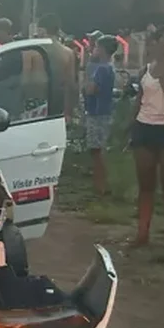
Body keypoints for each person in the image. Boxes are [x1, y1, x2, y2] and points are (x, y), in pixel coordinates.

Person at [129, 25, 164, 246]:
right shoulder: (146, 69)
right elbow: (140, 98)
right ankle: (142, 233)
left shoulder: (163, 67)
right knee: (146, 186)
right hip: (145, 128)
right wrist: (131, 123)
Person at [85, 35, 119, 196]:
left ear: (103, 49)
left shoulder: (101, 68)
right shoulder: (110, 67)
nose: (94, 50)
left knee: (96, 150)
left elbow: (92, 89)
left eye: (97, 47)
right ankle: (102, 184)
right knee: (99, 149)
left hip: (96, 112)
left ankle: (101, 186)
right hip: (105, 110)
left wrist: (86, 87)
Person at [39, 13, 79, 119]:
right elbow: (70, 83)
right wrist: (68, 112)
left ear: (42, 30)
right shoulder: (68, 52)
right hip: (58, 102)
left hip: (38, 102)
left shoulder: (34, 50)